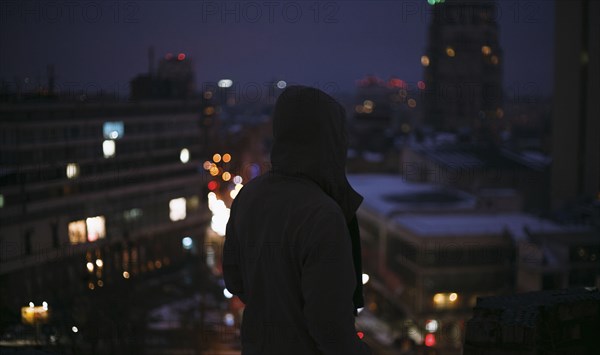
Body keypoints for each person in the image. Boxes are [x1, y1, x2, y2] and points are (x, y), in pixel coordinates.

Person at [222, 85, 372, 355]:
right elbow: (331, 330)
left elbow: (235, 281)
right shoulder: (323, 214)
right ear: (329, 140)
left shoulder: (249, 196)